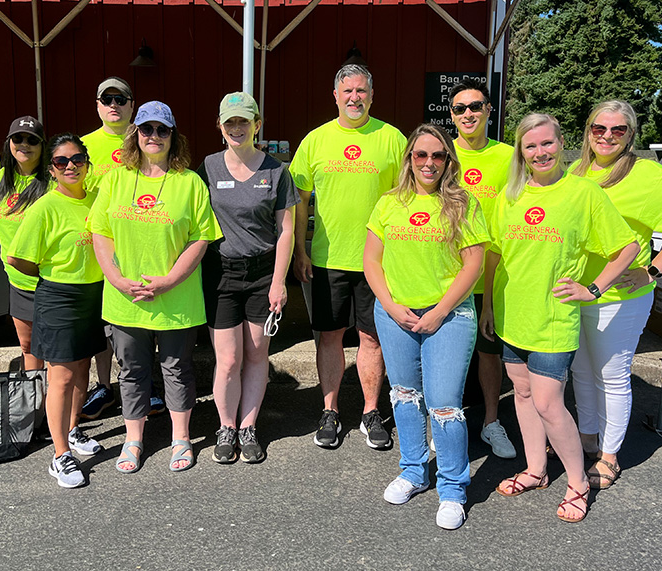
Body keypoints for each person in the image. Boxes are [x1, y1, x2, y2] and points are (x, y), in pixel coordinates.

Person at [479, 113, 639, 523]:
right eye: (530, 146)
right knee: (523, 394)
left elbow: (626, 248)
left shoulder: (583, 193)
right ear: (521, 152)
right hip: (512, 313)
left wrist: (594, 289)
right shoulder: (509, 194)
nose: (540, 152)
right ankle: (536, 470)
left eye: (547, 143)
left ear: (561, 144)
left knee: (550, 403)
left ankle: (578, 483)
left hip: (554, 319)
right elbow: (494, 253)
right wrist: (488, 306)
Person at [569, 101, 662, 489]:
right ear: (588, 131)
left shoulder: (647, 174)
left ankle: (609, 456)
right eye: (599, 129)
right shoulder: (577, 171)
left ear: (631, 135)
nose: (607, 136)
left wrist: (654, 268)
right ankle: (587, 437)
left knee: (611, 375)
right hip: (578, 293)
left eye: (618, 130)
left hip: (621, 297)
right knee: (581, 371)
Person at [364, 124, 488, 530]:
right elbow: (372, 262)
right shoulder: (388, 203)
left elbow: (474, 264)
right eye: (421, 155)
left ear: (448, 160)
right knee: (403, 394)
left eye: (438, 155)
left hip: (448, 315)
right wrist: (390, 304)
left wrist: (438, 311)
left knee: (445, 404)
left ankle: (453, 487)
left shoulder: (463, 203)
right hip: (396, 313)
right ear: (409, 160)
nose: (429, 163)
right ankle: (414, 471)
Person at [88, 101, 221, 474]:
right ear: (136, 134)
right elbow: (100, 232)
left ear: (172, 136)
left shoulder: (189, 182)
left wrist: (168, 281)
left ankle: (181, 438)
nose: (153, 136)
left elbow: (201, 239)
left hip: (176, 298)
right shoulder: (115, 179)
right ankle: (134, 440)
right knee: (131, 371)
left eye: (162, 130)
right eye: (146, 129)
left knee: (177, 369)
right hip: (125, 298)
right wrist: (114, 278)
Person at [290, 64, 406, 450]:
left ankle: (371, 412)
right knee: (329, 337)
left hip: (378, 262)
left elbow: (406, 199)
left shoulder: (392, 139)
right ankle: (330, 410)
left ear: (372, 96)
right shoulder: (316, 140)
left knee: (372, 338)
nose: (354, 97)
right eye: (347, 91)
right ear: (335, 96)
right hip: (327, 259)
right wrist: (300, 251)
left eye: (361, 91)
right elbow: (299, 200)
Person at [199, 92, 298, 464]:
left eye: (244, 121)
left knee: (257, 355)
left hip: (262, 273)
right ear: (220, 127)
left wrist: (278, 281)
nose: (237, 129)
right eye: (230, 123)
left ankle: (248, 426)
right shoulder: (207, 168)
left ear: (258, 124)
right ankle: (226, 427)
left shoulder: (276, 170)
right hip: (222, 273)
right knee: (227, 360)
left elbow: (285, 230)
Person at [7, 134, 106, 488]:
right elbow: (16, 257)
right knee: (61, 376)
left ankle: (73, 428)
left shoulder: (97, 200)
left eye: (77, 159)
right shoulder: (44, 207)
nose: (71, 166)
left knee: (82, 370)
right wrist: (54, 276)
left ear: (87, 162)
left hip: (93, 294)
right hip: (58, 297)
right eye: (62, 161)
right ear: (51, 169)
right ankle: (60, 454)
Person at [448, 78, 517, 460]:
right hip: (447, 274)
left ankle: (491, 421)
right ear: (452, 115)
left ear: (489, 110)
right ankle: (445, 421)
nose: (468, 114)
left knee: (489, 353)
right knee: (448, 354)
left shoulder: (509, 157)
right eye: (460, 109)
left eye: (475, 106)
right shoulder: (441, 155)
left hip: (494, 272)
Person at [79, 76, 136, 421]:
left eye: (121, 99)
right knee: (99, 322)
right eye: (106, 99)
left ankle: (145, 383)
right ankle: (103, 387)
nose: (113, 105)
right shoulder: (83, 146)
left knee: (137, 321)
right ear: (97, 105)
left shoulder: (146, 138)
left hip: (137, 246)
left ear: (132, 104)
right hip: (92, 247)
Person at [0, 116, 49, 371]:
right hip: (16, 281)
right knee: (27, 346)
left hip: (48, 280)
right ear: (8, 143)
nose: (24, 144)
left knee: (55, 350)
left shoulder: (52, 182)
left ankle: (58, 406)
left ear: (42, 146)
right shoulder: (0, 178)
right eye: (18, 138)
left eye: (32, 140)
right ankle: (36, 401)